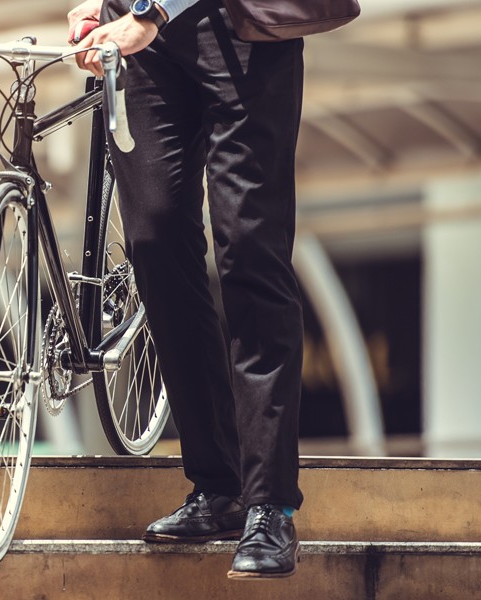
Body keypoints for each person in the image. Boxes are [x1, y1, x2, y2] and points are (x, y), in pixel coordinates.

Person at [67, 0, 306, 579]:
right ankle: (218, 486)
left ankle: (269, 504)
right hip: (148, 47)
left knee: (250, 253)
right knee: (152, 240)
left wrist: (152, 10)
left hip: (244, 30)